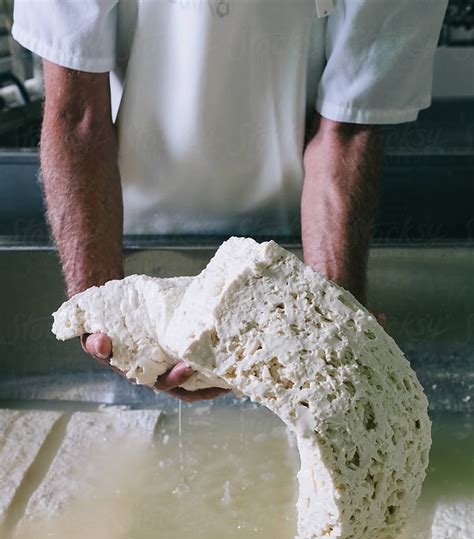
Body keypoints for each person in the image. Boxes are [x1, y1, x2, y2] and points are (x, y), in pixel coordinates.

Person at [12, 0, 447, 401]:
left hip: (294, 256)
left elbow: (345, 130)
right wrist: (101, 302)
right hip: (125, 239)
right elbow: (78, 112)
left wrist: (329, 313)